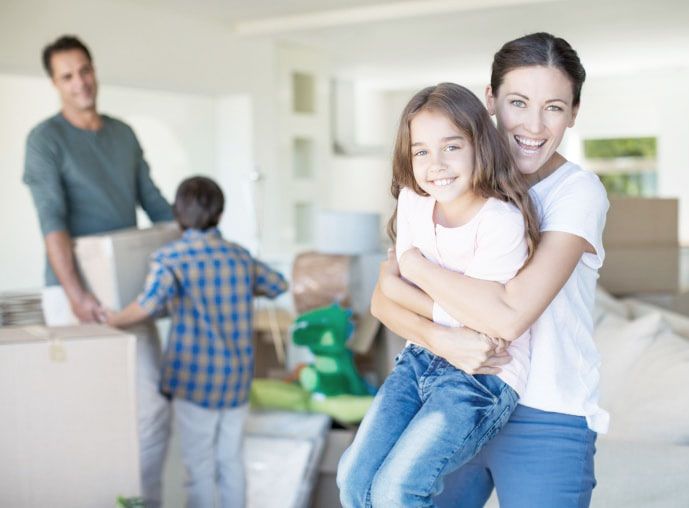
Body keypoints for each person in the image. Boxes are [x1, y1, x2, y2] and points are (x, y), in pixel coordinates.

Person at [371, 32, 609, 507]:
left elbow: (507, 317)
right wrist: (441, 339)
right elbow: (381, 298)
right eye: (518, 102)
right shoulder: (452, 181)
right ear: (490, 101)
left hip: (546, 414)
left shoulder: (577, 194)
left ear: (575, 113)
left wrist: (414, 266)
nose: (534, 125)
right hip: (456, 395)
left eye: (554, 108)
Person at [337, 83, 542, 507]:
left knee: (397, 488)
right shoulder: (414, 201)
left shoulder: (499, 220)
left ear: (478, 146)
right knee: (354, 481)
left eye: (451, 147)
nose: (436, 165)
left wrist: (411, 272)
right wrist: (400, 287)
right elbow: (384, 298)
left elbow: (484, 323)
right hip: (418, 360)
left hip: (482, 377)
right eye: (421, 151)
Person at [22, 35, 174, 507]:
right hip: (70, 294)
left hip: (129, 295)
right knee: (79, 409)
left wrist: (203, 241)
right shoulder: (45, 140)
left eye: (84, 70)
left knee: (150, 407)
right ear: (54, 83)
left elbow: (156, 206)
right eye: (67, 76)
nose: (80, 82)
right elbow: (53, 222)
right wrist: (75, 294)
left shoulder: (123, 133)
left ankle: (139, 500)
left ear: (94, 70)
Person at [106, 176, 289, 508]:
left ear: (178, 214)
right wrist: (244, 286)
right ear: (220, 214)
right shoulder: (239, 257)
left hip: (193, 383)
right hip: (234, 381)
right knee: (231, 461)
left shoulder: (170, 259)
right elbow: (277, 284)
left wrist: (111, 320)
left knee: (199, 467)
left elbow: (146, 305)